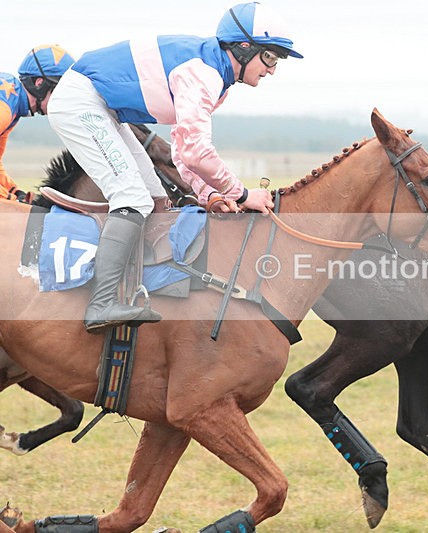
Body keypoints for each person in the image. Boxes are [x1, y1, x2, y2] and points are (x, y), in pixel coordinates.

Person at [48, 1, 303, 333]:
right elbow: (197, 151)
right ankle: (101, 303)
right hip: (82, 102)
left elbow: (183, 151)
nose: (272, 69)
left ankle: (135, 287)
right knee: (132, 197)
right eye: (269, 57)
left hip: (105, 109)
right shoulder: (204, 74)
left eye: (277, 60)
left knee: (156, 199)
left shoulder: (216, 77)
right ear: (244, 48)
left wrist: (210, 195)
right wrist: (240, 194)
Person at [0, 45, 75, 202]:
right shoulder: (5, 106)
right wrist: (7, 198)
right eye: (58, 93)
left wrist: (14, 191)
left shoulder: (13, 103)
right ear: (39, 83)